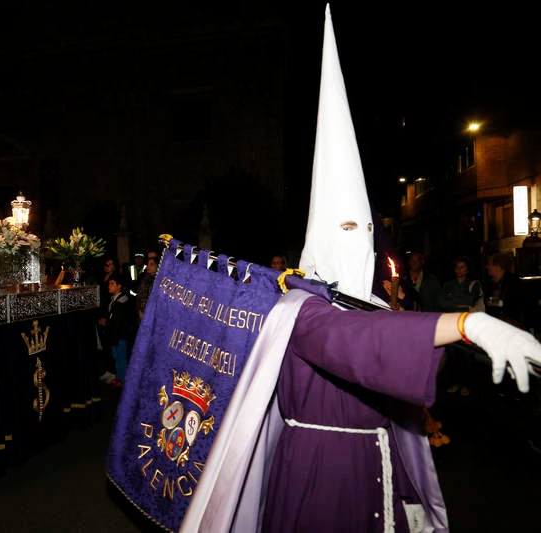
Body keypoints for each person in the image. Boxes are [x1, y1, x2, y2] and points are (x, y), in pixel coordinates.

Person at [181, 7, 541, 531]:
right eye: (349, 229)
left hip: (378, 466)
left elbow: (396, 356)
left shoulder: (367, 300)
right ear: (321, 238)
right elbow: (350, 343)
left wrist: (459, 344)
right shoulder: (299, 308)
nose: (363, 243)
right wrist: (467, 323)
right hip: (320, 478)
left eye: (368, 231)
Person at [438, 255, 484, 396]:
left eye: (462, 267)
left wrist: (453, 301)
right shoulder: (448, 285)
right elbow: (441, 302)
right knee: (453, 355)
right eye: (457, 267)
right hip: (451, 323)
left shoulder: (473, 284)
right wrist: (461, 303)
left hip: (467, 324)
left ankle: (467, 384)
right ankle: (455, 382)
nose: (459, 270)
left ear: (467, 269)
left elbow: (471, 300)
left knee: (467, 356)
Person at [104, 271, 134, 388]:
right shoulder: (113, 300)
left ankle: (124, 379)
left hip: (120, 336)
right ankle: (119, 377)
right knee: (117, 358)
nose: (109, 286)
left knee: (121, 358)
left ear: (119, 286)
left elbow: (120, 321)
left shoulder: (123, 301)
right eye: (109, 283)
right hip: (114, 335)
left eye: (112, 284)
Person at [484, 252, 524, 328]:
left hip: (512, 326)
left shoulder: (514, 282)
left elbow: (515, 304)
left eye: (489, 264)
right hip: (495, 324)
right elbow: (488, 303)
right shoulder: (490, 283)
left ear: (498, 266)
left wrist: (495, 303)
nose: (487, 267)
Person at [97, 257, 119, 383]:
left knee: (112, 346)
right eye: (106, 264)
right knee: (105, 344)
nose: (107, 266)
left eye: (109, 264)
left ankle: (114, 373)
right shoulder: (103, 277)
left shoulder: (116, 277)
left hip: (109, 314)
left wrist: (107, 318)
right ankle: (108, 371)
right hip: (102, 310)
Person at [135, 249, 159, 325]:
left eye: (151, 264)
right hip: (142, 315)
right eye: (148, 264)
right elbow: (140, 296)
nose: (148, 266)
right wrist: (140, 310)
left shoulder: (161, 280)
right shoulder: (144, 278)